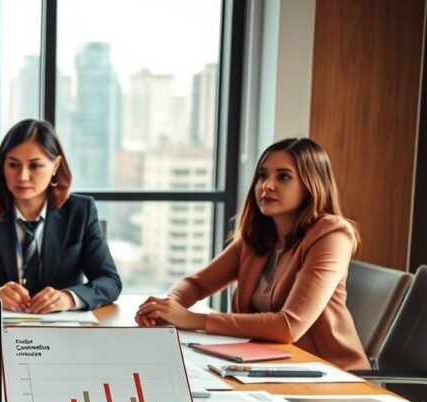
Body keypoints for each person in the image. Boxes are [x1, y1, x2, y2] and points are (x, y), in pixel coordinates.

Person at [135, 137, 370, 370]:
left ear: (311, 185)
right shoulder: (256, 238)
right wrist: (167, 308)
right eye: (262, 175)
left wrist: (193, 320)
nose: (267, 185)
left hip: (330, 376)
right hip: (264, 366)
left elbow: (289, 326)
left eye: (283, 176)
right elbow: (196, 284)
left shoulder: (332, 234)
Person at [0, 119, 121, 313]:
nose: (22, 176)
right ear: (2, 165)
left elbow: (109, 281)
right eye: (13, 165)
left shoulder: (81, 211)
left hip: (62, 332)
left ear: (55, 166)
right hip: (2, 331)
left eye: (34, 166)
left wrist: (68, 298)